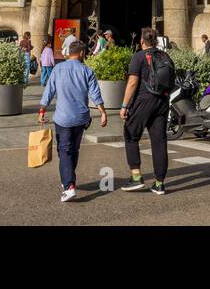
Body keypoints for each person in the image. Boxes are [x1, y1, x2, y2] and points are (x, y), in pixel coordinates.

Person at [38, 41, 108, 202]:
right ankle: (68, 179)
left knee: (64, 151)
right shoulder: (87, 71)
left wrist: (42, 110)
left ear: (69, 52)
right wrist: (102, 113)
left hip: (62, 119)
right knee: (73, 150)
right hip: (80, 119)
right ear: (82, 53)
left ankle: (69, 185)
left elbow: (49, 91)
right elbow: (95, 94)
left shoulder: (58, 69)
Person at [120, 27, 174, 196]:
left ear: (141, 41)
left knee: (130, 134)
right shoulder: (165, 55)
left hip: (144, 100)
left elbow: (132, 83)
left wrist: (124, 106)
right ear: (156, 40)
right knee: (159, 141)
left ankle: (136, 177)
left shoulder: (139, 57)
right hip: (163, 101)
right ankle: (159, 183)